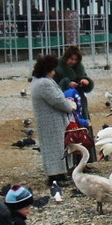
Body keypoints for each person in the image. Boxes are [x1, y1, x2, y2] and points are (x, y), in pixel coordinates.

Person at [30, 54, 76, 185]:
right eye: (53, 69)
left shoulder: (37, 81)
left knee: (53, 147)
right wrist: (70, 106)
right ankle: (55, 176)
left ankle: (58, 174)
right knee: (55, 148)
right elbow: (57, 101)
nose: (55, 72)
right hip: (51, 121)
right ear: (48, 69)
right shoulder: (44, 83)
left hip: (47, 121)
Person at [54, 45, 94, 123]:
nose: (73, 62)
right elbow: (54, 85)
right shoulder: (57, 67)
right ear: (66, 57)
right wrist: (67, 84)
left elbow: (84, 77)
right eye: (71, 59)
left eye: (76, 60)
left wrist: (85, 82)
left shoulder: (79, 68)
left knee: (83, 122)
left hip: (79, 99)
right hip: (65, 100)